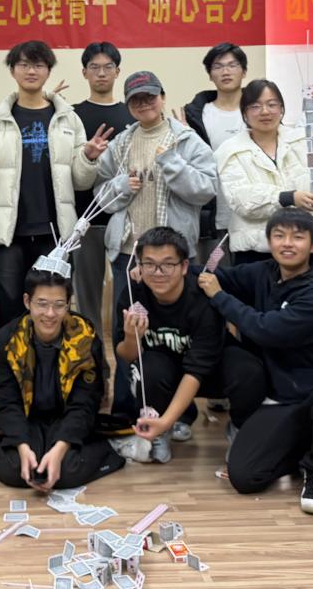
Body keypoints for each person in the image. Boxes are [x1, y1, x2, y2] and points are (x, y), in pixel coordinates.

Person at [198, 208, 313, 516]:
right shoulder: (264, 271)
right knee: (244, 477)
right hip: (281, 397)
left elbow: (267, 330)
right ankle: (308, 448)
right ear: (269, 241)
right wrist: (165, 269)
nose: (287, 243)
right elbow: (214, 276)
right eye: (279, 236)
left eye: (297, 237)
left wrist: (220, 297)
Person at [95, 71, 218, 420]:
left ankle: (179, 414)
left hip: (171, 258)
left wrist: (172, 163)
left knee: (174, 336)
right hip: (128, 252)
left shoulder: (186, 140)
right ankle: (125, 411)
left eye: (150, 96)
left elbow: (206, 190)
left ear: (162, 97)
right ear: (128, 105)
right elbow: (101, 195)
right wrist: (121, 186)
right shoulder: (122, 143)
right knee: (127, 332)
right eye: (136, 99)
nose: (143, 104)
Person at [0, 40, 111, 329]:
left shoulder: (68, 119)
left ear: (48, 71)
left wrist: (88, 157)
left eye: (38, 65)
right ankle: (9, 359)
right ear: (12, 70)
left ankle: (51, 360)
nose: (31, 71)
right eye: (23, 65)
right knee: (9, 308)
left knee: (51, 310)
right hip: (10, 233)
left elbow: (81, 181)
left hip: (55, 233)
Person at [0, 267, 126, 488]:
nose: (50, 314)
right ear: (27, 301)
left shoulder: (85, 338)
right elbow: (7, 401)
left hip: (67, 416)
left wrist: (60, 448)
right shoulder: (8, 339)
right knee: (19, 470)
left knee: (66, 470)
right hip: (28, 417)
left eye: (59, 305)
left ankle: (114, 446)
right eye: (42, 304)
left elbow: (85, 403)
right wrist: (22, 447)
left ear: (68, 304)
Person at [113, 227, 262, 461]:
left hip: (211, 369)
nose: (158, 272)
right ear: (139, 266)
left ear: (184, 266)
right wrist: (132, 337)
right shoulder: (134, 293)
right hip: (165, 370)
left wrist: (166, 421)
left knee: (248, 370)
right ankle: (159, 433)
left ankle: (240, 430)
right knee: (148, 367)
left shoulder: (202, 297)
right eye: (149, 264)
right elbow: (126, 355)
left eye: (168, 264)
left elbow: (196, 370)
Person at [216, 78, 313, 265]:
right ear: (244, 113)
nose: (265, 111)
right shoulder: (231, 151)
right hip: (258, 254)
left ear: (282, 109)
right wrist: (288, 197)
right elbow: (241, 199)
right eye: (255, 106)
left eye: (272, 104)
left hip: (308, 247)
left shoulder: (303, 141)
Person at [69, 42, 133, 328]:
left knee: (128, 294)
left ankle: (126, 347)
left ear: (118, 72)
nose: (102, 73)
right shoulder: (71, 115)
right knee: (86, 298)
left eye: (108, 67)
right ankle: (91, 349)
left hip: (126, 218)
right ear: (84, 73)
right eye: (94, 67)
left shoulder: (132, 115)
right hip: (85, 218)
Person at [183, 43, 248, 265]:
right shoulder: (196, 115)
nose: (226, 71)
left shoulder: (259, 112)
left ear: (244, 71)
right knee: (212, 274)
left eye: (232, 65)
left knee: (251, 280)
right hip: (213, 219)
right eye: (218, 67)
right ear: (210, 75)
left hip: (252, 220)